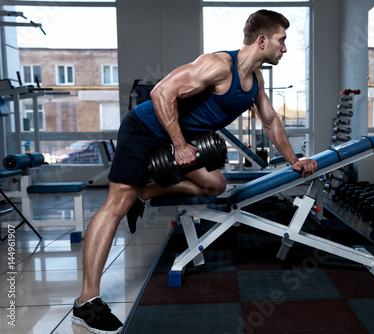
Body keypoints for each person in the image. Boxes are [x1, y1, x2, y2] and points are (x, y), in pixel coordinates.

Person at [72, 9, 318, 334]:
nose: (285, 48)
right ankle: (86, 303)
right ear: (262, 40)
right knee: (116, 203)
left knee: (214, 185)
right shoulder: (217, 65)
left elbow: (270, 121)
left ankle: (143, 194)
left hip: (180, 140)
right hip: (144, 129)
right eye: (282, 40)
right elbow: (161, 92)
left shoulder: (254, 81)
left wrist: (293, 162)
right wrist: (179, 144)